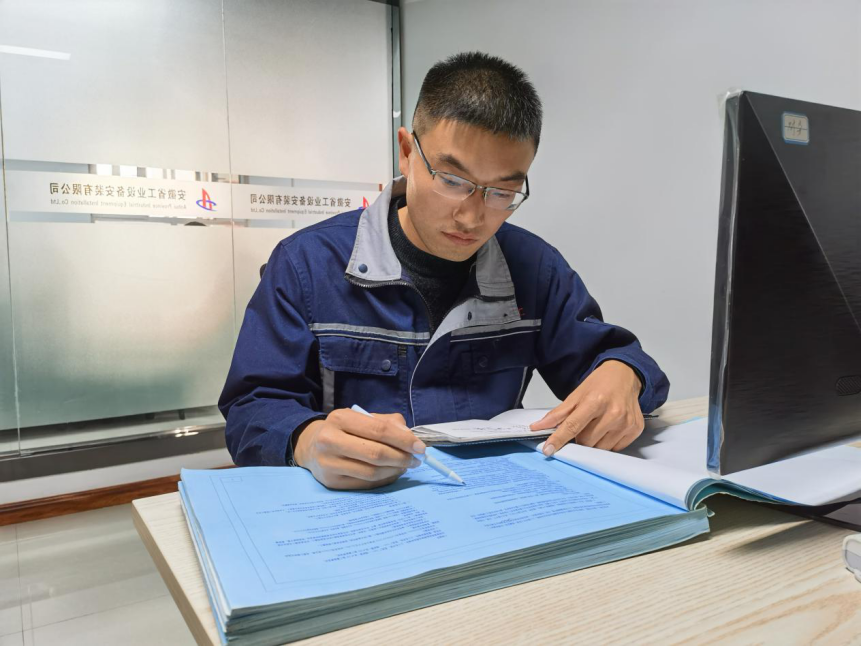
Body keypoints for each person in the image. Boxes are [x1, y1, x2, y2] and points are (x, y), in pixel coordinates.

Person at [219, 52, 669, 490]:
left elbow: (616, 359)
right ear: (406, 152)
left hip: (494, 501)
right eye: (452, 181)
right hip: (358, 508)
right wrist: (306, 441)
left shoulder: (534, 268)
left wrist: (623, 374)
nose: (472, 217)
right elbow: (252, 406)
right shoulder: (307, 264)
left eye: (502, 193)